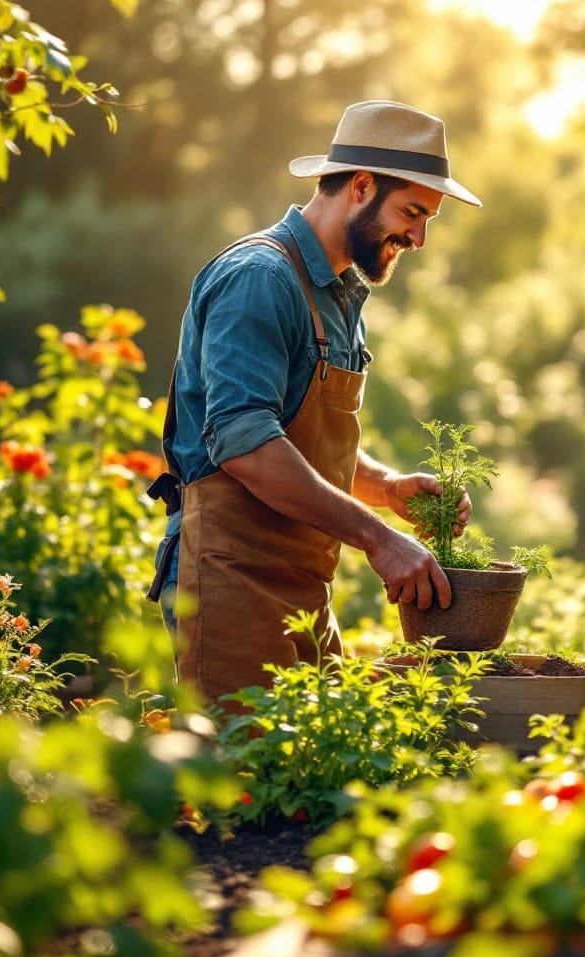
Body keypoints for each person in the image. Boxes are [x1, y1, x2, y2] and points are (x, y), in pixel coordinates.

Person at [145, 100, 480, 704]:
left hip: (303, 589)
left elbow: (301, 438)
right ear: (359, 186)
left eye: (428, 219)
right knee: (250, 790)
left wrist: (385, 487)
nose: (420, 238)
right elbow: (246, 443)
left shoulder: (339, 292)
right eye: (412, 212)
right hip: (227, 578)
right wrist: (379, 538)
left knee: (314, 788)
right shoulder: (260, 277)